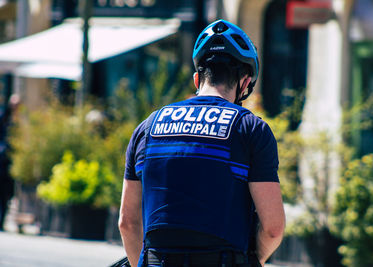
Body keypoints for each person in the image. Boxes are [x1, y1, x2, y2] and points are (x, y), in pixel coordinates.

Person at [119, 20, 285, 267]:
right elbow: (273, 228)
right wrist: (249, 261)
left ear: (198, 79)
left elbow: (127, 222)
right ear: (245, 82)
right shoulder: (250, 129)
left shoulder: (148, 127)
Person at [0, 94, 20, 230]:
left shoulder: (17, 121)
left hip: (9, 161)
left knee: (5, 192)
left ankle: (0, 220)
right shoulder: (0, 116)